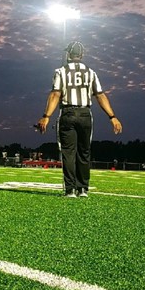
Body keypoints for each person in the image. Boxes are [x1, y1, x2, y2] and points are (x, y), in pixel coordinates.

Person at [37, 41, 122, 197]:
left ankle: (70, 189)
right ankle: (82, 188)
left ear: (68, 54)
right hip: (85, 114)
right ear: (82, 55)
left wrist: (46, 116)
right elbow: (100, 95)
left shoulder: (61, 71)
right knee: (84, 152)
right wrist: (112, 116)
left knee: (68, 152)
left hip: (68, 113)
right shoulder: (91, 72)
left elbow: (56, 94)